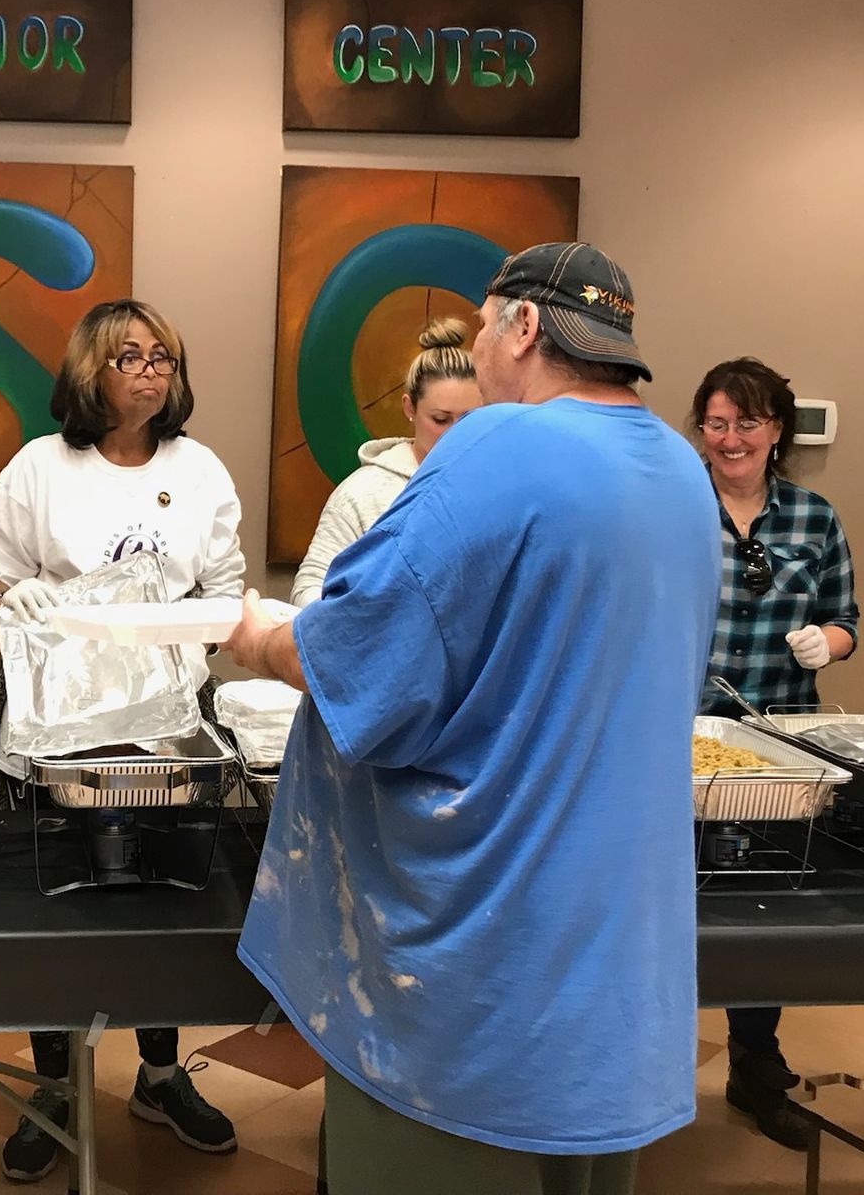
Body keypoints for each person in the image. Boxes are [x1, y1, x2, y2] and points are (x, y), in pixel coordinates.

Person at [225, 243, 720, 1195]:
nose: (479, 348)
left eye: (485, 323)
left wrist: (258, 636)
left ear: (523, 327)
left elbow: (358, 652)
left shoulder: (502, 443)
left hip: (480, 959)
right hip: (615, 952)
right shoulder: (680, 472)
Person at [0, 298, 243, 1183]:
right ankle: (51, 1084)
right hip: (53, 710)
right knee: (54, 891)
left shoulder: (199, 470)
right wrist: (10, 595)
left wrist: (179, 650)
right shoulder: (39, 467)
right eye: (130, 356)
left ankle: (159, 1074)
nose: (152, 370)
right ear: (90, 371)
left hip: (162, 712)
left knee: (156, 889)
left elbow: (227, 590)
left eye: (163, 355)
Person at [693, 357, 858, 1152]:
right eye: (717, 423)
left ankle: (756, 1063)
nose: (731, 439)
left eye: (747, 424)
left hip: (779, 741)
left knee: (763, 903)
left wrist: (826, 642)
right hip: (677, 737)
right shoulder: (671, 505)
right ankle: (645, 1059)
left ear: (777, 431)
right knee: (670, 901)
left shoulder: (813, 518)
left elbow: (847, 619)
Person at [291, 317, 481, 607]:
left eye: (468, 420)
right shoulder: (362, 494)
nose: (454, 433)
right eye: (441, 419)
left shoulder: (495, 487)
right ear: (410, 408)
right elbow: (311, 587)